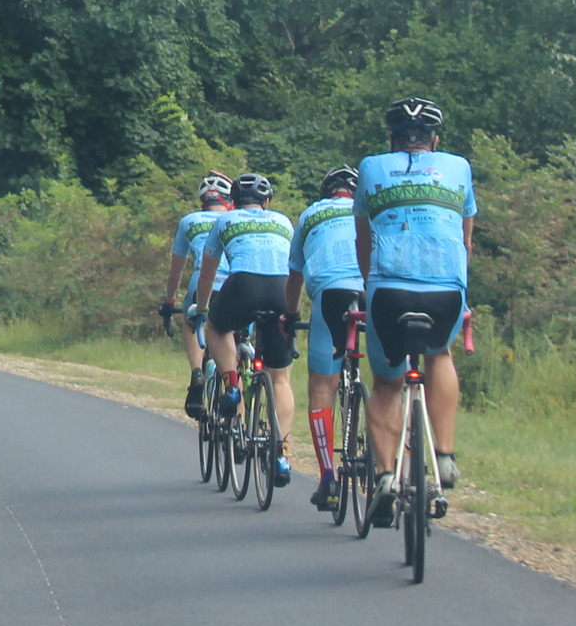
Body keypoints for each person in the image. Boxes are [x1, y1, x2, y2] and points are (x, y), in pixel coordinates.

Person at [354, 97, 476, 527]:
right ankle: (443, 455)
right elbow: (466, 241)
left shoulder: (370, 167)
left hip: (388, 289)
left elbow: (363, 244)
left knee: (386, 384)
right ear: (435, 140)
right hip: (446, 289)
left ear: (392, 139)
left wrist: (371, 291)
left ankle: (386, 478)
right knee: (439, 354)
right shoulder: (459, 167)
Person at [195, 172, 297, 487]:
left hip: (241, 285)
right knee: (280, 378)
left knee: (216, 327)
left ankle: (233, 383)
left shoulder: (224, 222)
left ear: (233, 202)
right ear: (267, 202)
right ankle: (281, 455)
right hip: (280, 290)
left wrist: (201, 310)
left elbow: (208, 274)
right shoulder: (283, 221)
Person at [287, 167, 365, 512]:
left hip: (330, 294)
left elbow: (295, 276)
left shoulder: (311, 214)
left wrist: (290, 316)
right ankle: (391, 468)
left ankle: (328, 477)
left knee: (322, 385)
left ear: (326, 193)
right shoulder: (369, 210)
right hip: (372, 290)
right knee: (390, 382)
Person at [162, 173, 232, 417]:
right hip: (236, 284)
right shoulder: (236, 218)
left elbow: (175, 272)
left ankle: (196, 373)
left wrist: (169, 301)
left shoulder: (189, 221)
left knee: (192, 322)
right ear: (229, 201)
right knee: (231, 332)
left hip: (201, 283)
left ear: (203, 201)